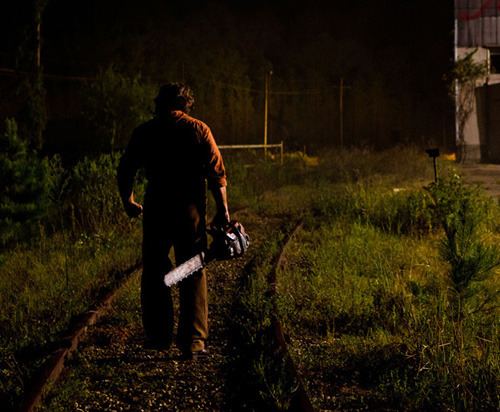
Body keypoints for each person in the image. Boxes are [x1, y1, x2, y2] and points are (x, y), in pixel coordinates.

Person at [117, 83, 230, 360]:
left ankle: (159, 337)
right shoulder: (198, 129)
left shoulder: (145, 132)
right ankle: (193, 342)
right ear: (186, 103)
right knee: (192, 269)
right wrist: (223, 210)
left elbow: (126, 168)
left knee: (155, 269)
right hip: (190, 211)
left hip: (157, 210)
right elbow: (217, 173)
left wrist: (128, 201)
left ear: (159, 103)